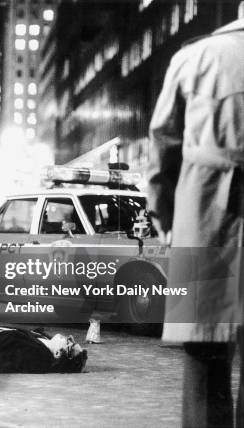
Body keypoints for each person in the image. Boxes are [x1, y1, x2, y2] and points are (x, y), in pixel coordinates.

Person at [147, 9, 244, 427]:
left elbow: (162, 146)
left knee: (204, 354)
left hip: (204, 216)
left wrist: (166, 219)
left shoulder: (196, 57)